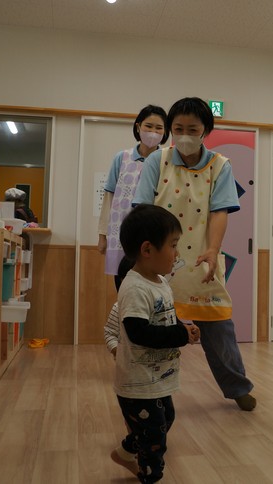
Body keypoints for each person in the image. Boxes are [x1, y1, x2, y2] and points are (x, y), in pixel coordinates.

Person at [133, 97, 256, 411]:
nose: (184, 135)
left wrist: (213, 249)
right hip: (159, 258)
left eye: (192, 129)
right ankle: (149, 389)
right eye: (178, 129)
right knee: (153, 327)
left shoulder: (220, 165)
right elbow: (143, 208)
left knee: (219, 325)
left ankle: (237, 387)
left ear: (206, 131)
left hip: (203, 258)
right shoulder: (157, 161)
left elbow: (220, 211)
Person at [111, 204, 200, 483]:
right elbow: (139, 333)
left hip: (157, 377)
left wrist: (183, 328)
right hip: (138, 383)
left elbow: (163, 318)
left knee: (164, 420)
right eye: (173, 245)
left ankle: (126, 451)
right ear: (148, 249)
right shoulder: (135, 288)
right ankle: (150, 476)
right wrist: (180, 336)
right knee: (154, 442)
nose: (177, 253)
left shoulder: (159, 281)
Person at [98, 105, 169, 283]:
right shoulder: (122, 158)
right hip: (123, 233)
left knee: (155, 285)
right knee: (123, 284)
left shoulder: (167, 161)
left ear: (165, 132)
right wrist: (102, 235)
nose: (153, 132)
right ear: (138, 127)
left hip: (155, 234)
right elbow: (109, 197)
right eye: (148, 126)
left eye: (159, 128)